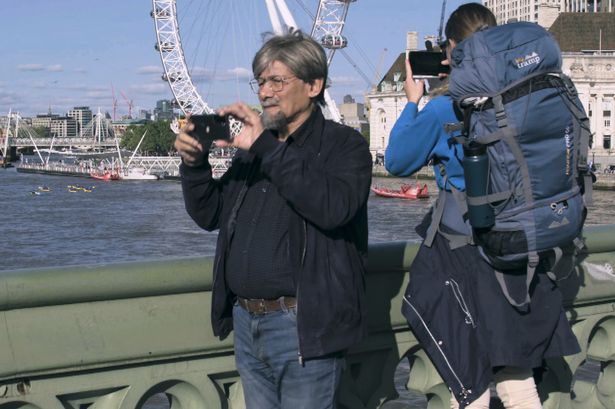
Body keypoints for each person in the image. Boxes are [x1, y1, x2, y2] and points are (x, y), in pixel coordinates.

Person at [385, 3, 580, 409]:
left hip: (465, 254)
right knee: (516, 377)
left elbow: (397, 161)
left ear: (452, 50)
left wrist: (412, 101)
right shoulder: (526, 95)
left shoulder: (445, 108)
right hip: (522, 241)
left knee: (469, 382)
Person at [174, 30, 372, 409]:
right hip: (247, 323)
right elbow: (210, 215)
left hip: (304, 326)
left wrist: (265, 146)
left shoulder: (344, 146)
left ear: (314, 85)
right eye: (261, 81)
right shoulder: (252, 152)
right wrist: (194, 165)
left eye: (278, 81)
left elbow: (332, 208)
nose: (265, 92)